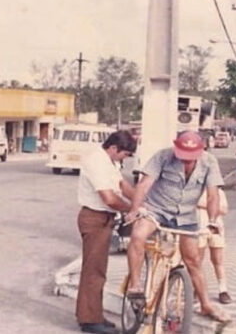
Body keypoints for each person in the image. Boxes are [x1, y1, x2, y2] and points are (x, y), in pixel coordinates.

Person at [124, 131, 230, 323]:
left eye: (191, 159)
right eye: (183, 157)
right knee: (138, 234)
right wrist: (136, 209)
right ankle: (135, 285)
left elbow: (213, 195)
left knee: (193, 261)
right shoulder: (163, 156)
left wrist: (213, 220)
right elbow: (143, 185)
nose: (186, 162)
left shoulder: (209, 162)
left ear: (201, 150)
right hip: (156, 210)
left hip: (186, 216)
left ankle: (205, 304)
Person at [75, 130, 138, 334]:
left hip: (105, 219)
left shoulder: (110, 162)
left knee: (99, 269)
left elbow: (121, 184)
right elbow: (109, 199)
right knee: (94, 271)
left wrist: (140, 200)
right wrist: (133, 209)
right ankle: (89, 320)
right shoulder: (96, 162)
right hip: (95, 218)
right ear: (113, 148)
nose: (126, 159)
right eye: (125, 154)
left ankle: (95, 314)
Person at [197, 187, 231, 304]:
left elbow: (224, 209)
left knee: (218, 260)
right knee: (197, 261)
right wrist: (211, 204)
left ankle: (223, 289)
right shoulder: (193, 190)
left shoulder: (218, 192)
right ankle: (197, 288)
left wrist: (203, 203)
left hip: (215, 228)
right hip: (198, 229)